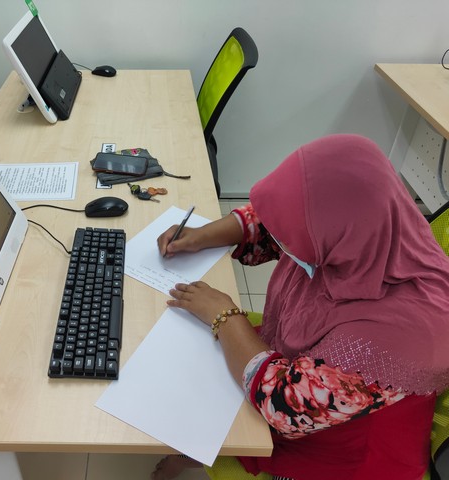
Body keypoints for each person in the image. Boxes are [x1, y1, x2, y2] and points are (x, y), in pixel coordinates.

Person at [152, 134, 449, 480]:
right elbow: (279, 219)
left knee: (193, 387)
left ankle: (188, 453)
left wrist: (225, 316)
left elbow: (283, 407)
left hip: (342, 446)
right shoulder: (370, 226)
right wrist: (201, 235)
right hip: (309, 373)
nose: (283, 241)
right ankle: (187, 452)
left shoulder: (393, 336)